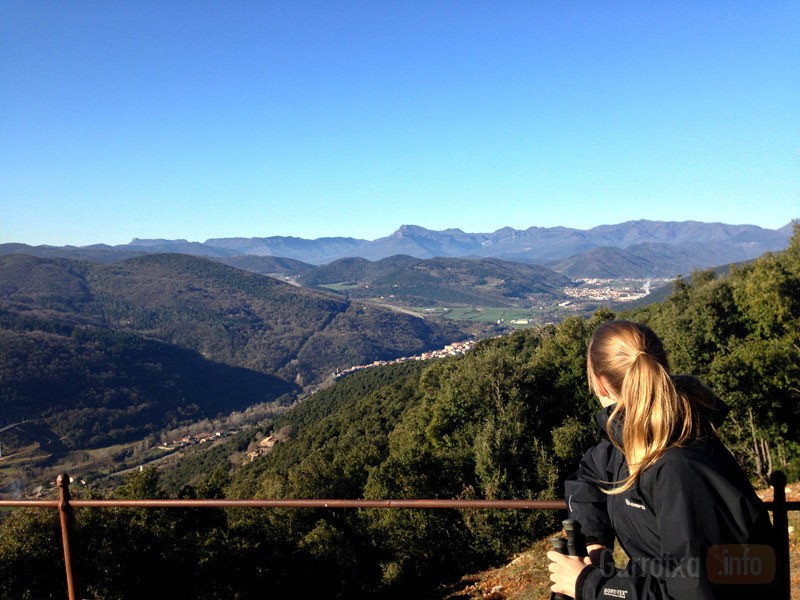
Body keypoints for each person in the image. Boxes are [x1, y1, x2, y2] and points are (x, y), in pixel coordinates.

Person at [547, 319, 776, 599]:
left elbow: (695, 589)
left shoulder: (677, 466)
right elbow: (590, 473)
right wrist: (594, 541)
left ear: (599, 382)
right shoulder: (635, 435)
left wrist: (589, 585)